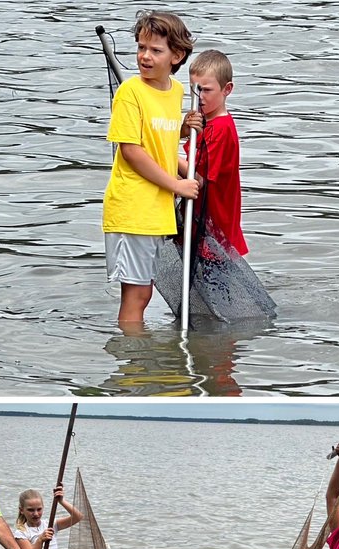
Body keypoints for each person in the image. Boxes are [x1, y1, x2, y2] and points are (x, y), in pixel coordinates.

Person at [103, 11, 202, 329]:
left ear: (177, 55)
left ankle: (139, 363)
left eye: (155, 50)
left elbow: (161, 141)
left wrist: (185, 133)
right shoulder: (130, 92)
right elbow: (132, 151)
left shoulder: (174, 92)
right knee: (137, 295)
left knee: (144, 292)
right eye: (141, 48)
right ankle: (133, 369)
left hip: (156, 210)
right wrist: (177, 186)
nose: (145, 56)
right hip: (133, 207)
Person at [179, 49, 248, 256]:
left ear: (226, 90)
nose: (198, 97)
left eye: (206, 90)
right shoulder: (207, 123)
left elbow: (198, 180)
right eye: (194, 90)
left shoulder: (220, 129)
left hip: (216, 236)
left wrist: (165, 156)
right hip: (203, 230)